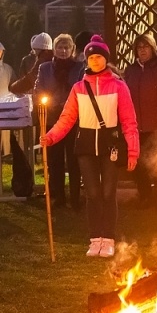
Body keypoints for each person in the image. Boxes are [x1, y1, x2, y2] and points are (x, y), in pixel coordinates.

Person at [42, 36, 140, 258]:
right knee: (93, 193)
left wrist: (133, 150)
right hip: (86, 145)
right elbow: (67, 118)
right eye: (91, 57)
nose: (94, 61)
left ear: (105, 59)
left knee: (108, 193)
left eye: (98, 57)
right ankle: (95, 238)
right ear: (86, 60)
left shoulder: (118, 86)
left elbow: (129, 120)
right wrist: (50, 137)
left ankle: (109, 238)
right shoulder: (79, 88)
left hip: (109, 145)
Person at [122, 33, 157, 206]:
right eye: (139, 48)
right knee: (139, 164)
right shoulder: (131, 70)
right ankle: (145, 195)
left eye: (146, 47)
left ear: (153, 49)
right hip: (136, 125)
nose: (142, 51)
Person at [35, 33, 85, 210]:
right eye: (60, 47)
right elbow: (38, 89)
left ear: (72, 50)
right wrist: (50, 104)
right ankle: (59, 197)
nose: (63, 51)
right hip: (52, 119)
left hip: (73, 120)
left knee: (73, 160)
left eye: (66, 47)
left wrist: (68, 106)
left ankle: (75, 198)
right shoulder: (45, 68)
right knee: (55, 160)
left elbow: (82, 88)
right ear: (54, 50)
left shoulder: (79, 68)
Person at [7, 32, 54, 200]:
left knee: (50, 151)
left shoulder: (42, 61)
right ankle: (54, 188)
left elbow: (28, 79)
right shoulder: (53, 58)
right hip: (55, 109)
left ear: (38, 49)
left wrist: (12, 87)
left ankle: (52, 189)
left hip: (47, 110)